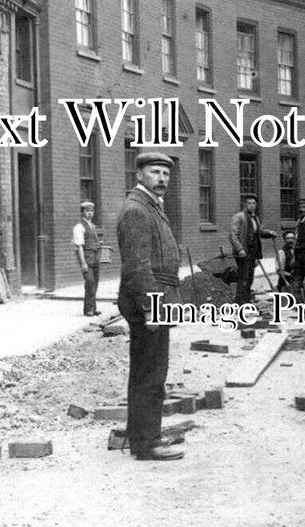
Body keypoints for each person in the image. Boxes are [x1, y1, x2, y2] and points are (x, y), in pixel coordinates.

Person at [116, 152, 184, 461]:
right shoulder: (137, 210)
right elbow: (137, 267)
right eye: (155, 172)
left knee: (149, 371)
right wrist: (152, 307)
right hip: (151, 302)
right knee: (150, 374)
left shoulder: (151, 206)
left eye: (166, 174)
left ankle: (142, 435)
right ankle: (146, 443)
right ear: (139, 174)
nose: (162, 178)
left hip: (158, 299)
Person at [228, 194, 277, 306]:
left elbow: (259, 232)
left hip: (253, 252)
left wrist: (269, 233)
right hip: (243, 252)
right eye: (249, 203)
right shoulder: (238, 217)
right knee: (243, 277)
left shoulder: (255, 218)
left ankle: (247, 300)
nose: (251, 205)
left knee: (250, 277)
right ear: (245, 204)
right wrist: (240, 249)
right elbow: (232, 235)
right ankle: (240, 302)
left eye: (254, 203)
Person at [72, 200, 106, 317]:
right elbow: (79, 247)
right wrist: (83, 264)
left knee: (95, 283)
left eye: (91, 211)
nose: (90, 213)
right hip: (86, 259)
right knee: (90, 282)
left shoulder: (92, 226)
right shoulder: (79, 227)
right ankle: (89, 309)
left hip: (95, 258)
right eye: (87, 211)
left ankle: (92, 307)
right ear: (82, 213)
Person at [276, 230, 296, 295]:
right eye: (288, 238)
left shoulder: (296, 252)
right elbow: (280, 271)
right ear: (284, 240)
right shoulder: (281, 253)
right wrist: (292, 275)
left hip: (296, 284)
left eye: (292, 238)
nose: (290, 240)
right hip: (285, 284)